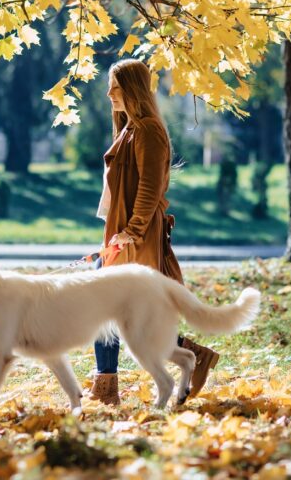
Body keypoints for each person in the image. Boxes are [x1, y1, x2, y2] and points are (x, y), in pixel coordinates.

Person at [89, 58, 221, 405]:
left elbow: (149, 188)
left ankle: (106, 388)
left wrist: (131, 231)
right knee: (120, 311)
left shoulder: (148, 130)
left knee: (116, 310)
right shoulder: (130, 130)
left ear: (131, 88)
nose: (109, 94)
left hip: (137, 238)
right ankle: (187, 355)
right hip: (123, 237)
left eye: (114, 87)